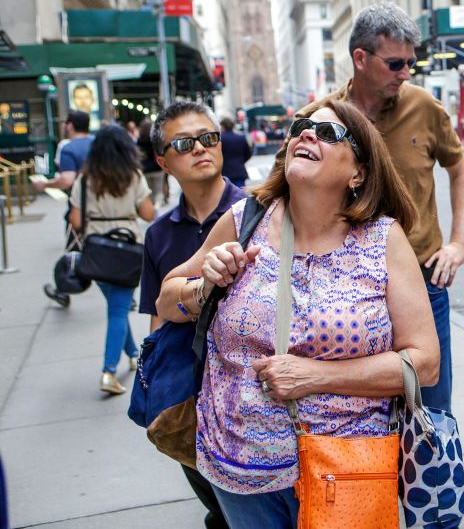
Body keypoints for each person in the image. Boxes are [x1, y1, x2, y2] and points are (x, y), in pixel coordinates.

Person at [155, 98, 439, 527]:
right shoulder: (244, 220)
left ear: (358, 172)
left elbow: (425, 363)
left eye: (327, 133)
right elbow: (166, 301)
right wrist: (204, 287)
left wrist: (315, 376)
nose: (306, 133)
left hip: (348, 468)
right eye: (302, 127)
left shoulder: (384, 239)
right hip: (239, 470)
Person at [328, 1, 464, 414]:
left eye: (411, 62)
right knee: (358, 412)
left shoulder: (423, 107)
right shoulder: (324, 119)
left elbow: (460, 169)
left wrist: (459, 243)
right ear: (360, 58)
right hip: (348, 286)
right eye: (395, 64)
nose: (406, 73)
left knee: (432, 412)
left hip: (425, 281)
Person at [137, 102, 243, 529]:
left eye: (208, 138)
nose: (200, 148)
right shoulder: (159, 234)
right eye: (183, 143)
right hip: (190, 398)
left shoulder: (257, 212)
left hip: (251, 392)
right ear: (163, 161)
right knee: (217, 505)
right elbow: (158, 319)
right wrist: (158, 389)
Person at [68, 125, 155, 394]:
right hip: (128, 253)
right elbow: (148, 214)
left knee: (117, 308)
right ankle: (108, 372)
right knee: (118, 310)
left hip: (96, 253)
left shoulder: (85, 179)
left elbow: (76, 221)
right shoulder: (133, 176)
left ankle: (132, 354)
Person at [36, 111, 95, 307]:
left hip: (80, 208)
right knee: (107, 247)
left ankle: (62, 291)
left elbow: (67, 179)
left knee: (73, 251)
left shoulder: (68, 148)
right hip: (105, 206)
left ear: (70, 125)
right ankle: (125, 296)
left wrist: (45, 184)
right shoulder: (99, 143)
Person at [137, 119, 167, 209]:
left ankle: (152, 208)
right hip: (157, 168)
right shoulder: (155, 140)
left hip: (145, 170)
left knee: (149, 192)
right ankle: (157, 207)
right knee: (158, 191)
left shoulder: (139, 141)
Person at [219, 117, 252, 188]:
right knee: (240, 193)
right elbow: (248, 154)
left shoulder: (221, 139)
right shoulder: (241, 138)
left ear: (223, 127)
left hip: (226, 173)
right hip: (240, 171)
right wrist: (240, 161)